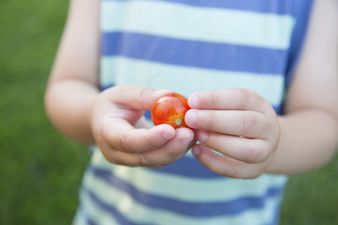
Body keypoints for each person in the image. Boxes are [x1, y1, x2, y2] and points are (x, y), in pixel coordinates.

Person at [44, 0, 338, 224]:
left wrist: (275, 143)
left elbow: (323, 122)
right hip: (111, 213)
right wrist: (93, 115)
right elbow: (66, 86)